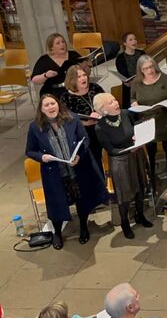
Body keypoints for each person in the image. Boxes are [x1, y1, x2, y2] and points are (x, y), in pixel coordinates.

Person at [25, 94, 109, 249]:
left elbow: (85, 140)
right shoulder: (35, 127)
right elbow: (30, 151)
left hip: (77, 169)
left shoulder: (72, 119)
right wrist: (42, 157)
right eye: (46, 105)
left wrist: (79, 155)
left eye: (53, 103)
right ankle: (57, 233)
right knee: (57, 204)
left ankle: (83, 227)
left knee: (82, 200)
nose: (51, 107)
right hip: (55, 172)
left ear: (58, 105)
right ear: (41, 109)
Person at [94, 93, 153, 239]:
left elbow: (135, 128)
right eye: (110, 102)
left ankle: (140, 215)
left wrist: (138, 137)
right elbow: (110, 150)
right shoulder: (100, 127)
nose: (116, 103)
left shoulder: (126, 114)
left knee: (140, 187)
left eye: (114, 100)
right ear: (103, 109)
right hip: (119, 161)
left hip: (136, 155)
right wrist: (127, 150)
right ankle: (125, 222)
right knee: (124, 194)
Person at [131, 55, 167, 185]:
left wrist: (164, 105)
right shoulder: (136, 82)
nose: (149, 70)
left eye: (151, 67)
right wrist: (134, 103)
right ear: (140, 70)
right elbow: (133, 98)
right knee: (150, 151)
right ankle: (151, 177)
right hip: (147, 121)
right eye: (145, 68)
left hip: (165, 120)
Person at [60, 65, 106, 175]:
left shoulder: (95, 88)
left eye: (84, 75)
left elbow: (107, 103)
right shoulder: (66, 97)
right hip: (83, 134)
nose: (83, 78)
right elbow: (65, 120)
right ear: (72, 80)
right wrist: (85, 123)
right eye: (79, 77)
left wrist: (100, 113)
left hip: (102, 127)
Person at [31, 33, 87, 97]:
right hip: (53, 91)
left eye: (63, 42)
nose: (62, 45)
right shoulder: (44, 60)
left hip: (74, 88)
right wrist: (45, 75)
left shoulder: (73, 55)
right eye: (58, 43)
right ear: (51, 48)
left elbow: (87, 73)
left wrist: (85, 67)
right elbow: (35, 80)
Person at [114, 32, 146, 109]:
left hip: (144, 83)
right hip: (130, 87)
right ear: (125, 43)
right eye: (131, 40)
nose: (134, 41)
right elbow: (124, 75)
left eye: (135, 39)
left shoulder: (142, 53)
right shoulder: (120, 58)